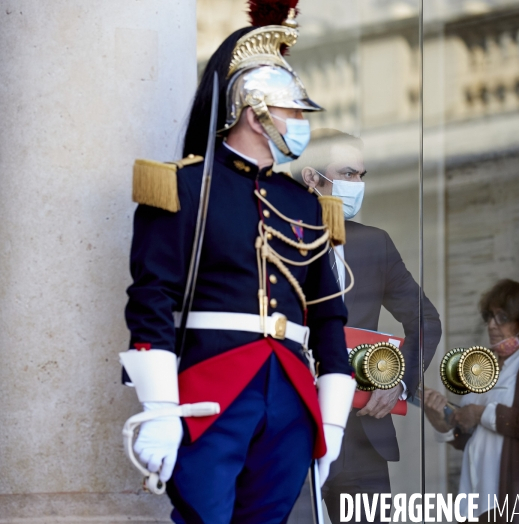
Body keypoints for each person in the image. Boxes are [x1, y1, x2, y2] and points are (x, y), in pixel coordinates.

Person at [120, 7, 356, 524]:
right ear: (255, 112)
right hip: (212, 391)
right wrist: (160, 407)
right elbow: (152, 297)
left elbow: (329, 318)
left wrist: (332, 421)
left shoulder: (307, 204)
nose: (300, 125)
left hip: (292, 396)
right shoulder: (182, 188)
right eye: (293, 113)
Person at [290, 130, 442, 523]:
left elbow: (425, 319)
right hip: (293, 430)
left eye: (362, 175)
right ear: (312, 178)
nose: (358, 185)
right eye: (347, 174)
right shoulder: (277, 241)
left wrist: (399, 382)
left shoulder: (375, 244)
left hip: (363, 436)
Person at [424, 279, 519, 523]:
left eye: (502, 318)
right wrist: (443, 423)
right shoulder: (486, 366)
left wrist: (480, 414)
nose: (491, 325)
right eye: (489, 317)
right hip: (480, 503)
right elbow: (473, 437)